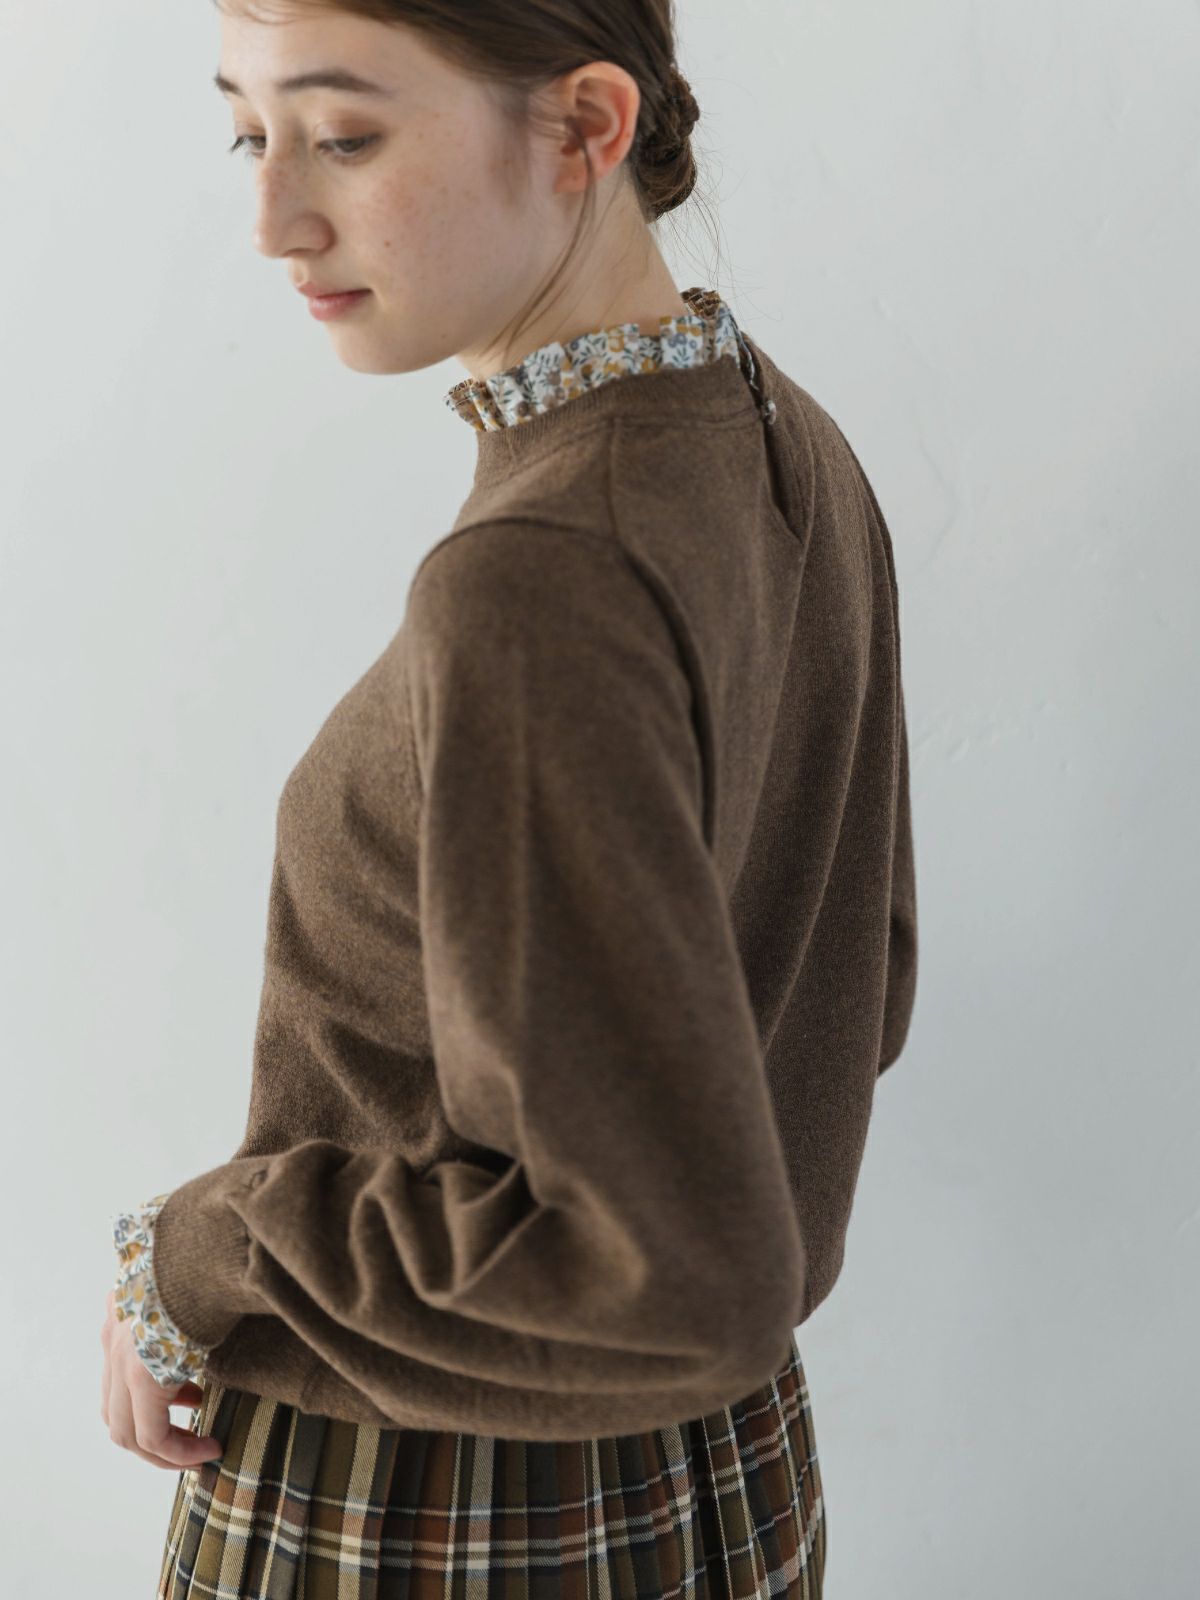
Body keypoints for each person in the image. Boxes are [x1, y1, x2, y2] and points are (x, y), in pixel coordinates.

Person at [100, 2, 918, 1596]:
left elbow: (664, 1270)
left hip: (443, 1488)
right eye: (248, 132)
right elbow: (854, 984)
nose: (272, 219)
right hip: (718, 1468)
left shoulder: (539, 580)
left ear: (585, 126)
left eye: (344, 136)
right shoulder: (774, 429)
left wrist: (192, 1256)